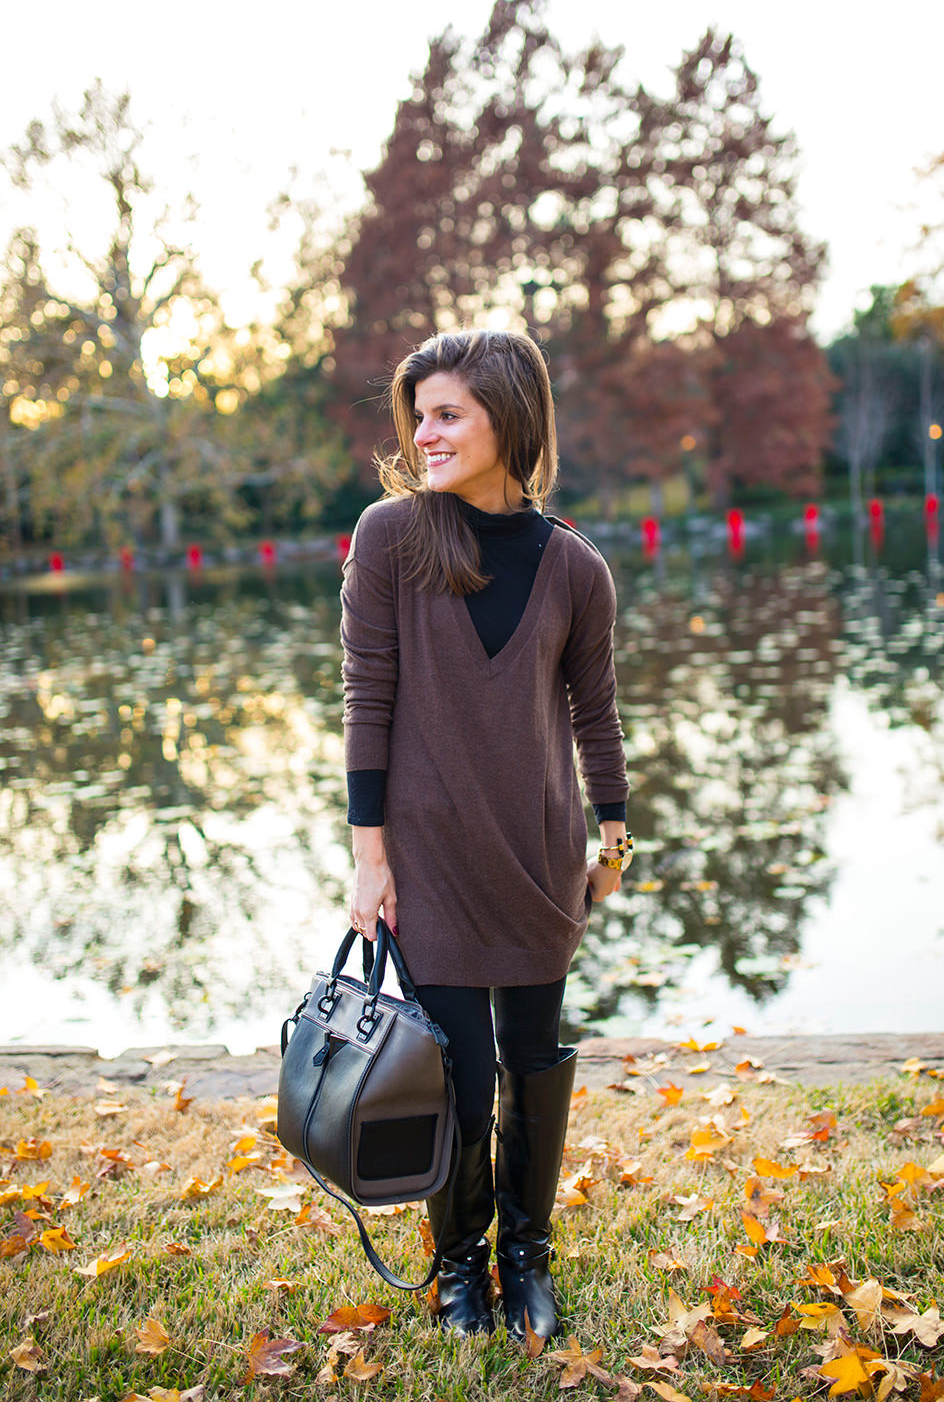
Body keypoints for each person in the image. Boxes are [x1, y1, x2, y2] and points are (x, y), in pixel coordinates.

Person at [340, 329, 630, 1340]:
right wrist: (369, 855)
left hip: (541, 861)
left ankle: (527, 1260)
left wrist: (615, 844)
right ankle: (461, 1266)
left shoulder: (576, 568)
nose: (424, 432)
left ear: (508, 416)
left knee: (533, 1059)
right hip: (428, 865)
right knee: (458, 1073)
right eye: (418, 415)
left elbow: (595, 713)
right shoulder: (388, 539)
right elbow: (365, 699)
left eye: (447, 413)